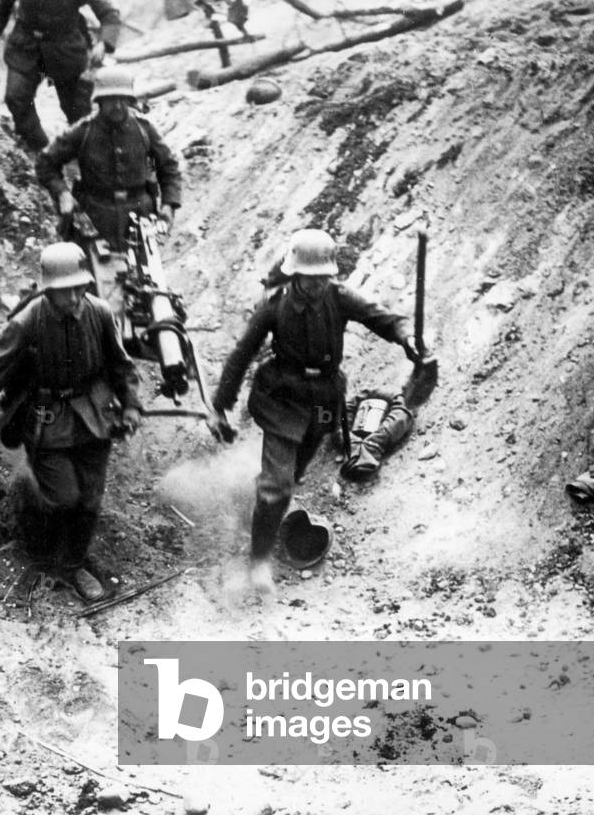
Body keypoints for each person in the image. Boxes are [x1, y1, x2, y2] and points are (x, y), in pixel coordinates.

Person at [206, 229, 424, 594]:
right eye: (310, 279)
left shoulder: (338, 298)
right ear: (295, 275)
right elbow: (241, 354)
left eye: (323, 278)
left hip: (322, 402)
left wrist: (407, 336)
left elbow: (382, 318)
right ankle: (258, 560)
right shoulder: (275, 306)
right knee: (277, 486)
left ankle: (262, 511)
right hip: (281, 399)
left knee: (293, 476)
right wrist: (220, 407)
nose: (317, 286)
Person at [0, 243, 142, 601]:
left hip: (94, 417)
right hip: (49, 422)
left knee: (89, 500)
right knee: (65, 497)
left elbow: (122, 366)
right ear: (48, 290)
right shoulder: (29, 321)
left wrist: (132, 406)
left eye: (79, 288)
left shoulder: (101, 314)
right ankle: (34, 518)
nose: (74, 298)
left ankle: (73, 565)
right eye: (64, 291)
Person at [36, 65, 183, 254]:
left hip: (140, 215)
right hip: (95, 218)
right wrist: (63, 194)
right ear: (100, 101)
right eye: (111, 100)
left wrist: (169, 205)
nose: (118, 106)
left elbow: (169, 166)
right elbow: (45, 163)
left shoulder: (144, 129)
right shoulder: (84, 131)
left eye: (123, 99)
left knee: (145, 277)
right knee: (95, 275)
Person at [0, 0, 121, 151]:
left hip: (65, 50)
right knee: (16, 96)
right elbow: (2, 7)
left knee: (76, 110)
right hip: (25, 47)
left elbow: (109, 12)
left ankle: (89, 153)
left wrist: (104, 43)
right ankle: (40, 149)